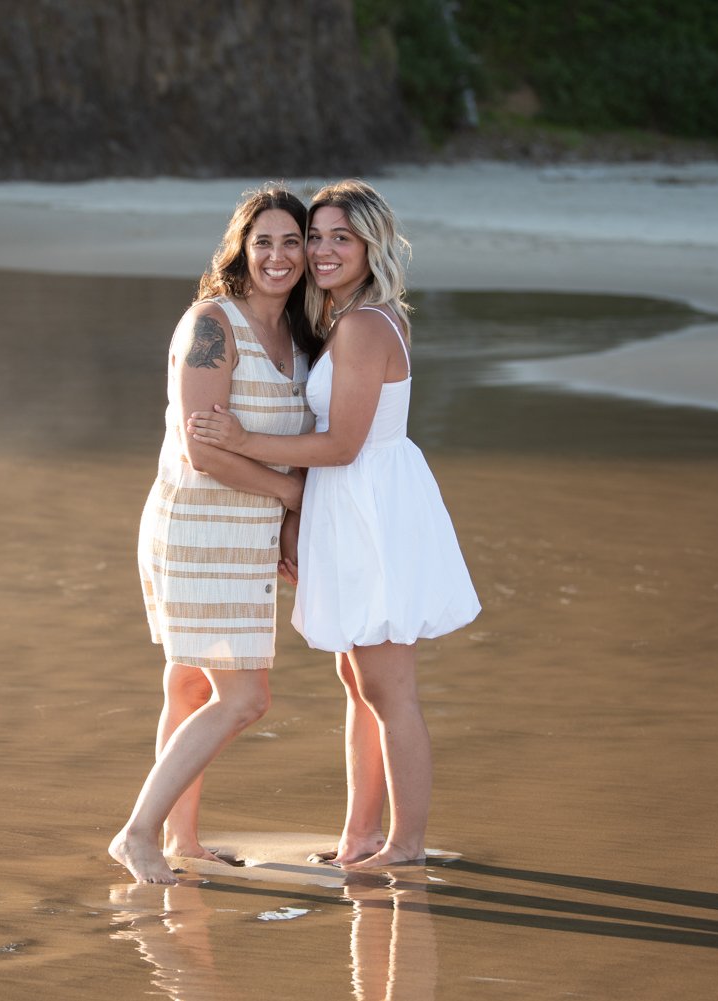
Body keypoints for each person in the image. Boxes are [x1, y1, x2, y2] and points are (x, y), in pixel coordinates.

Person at [188, 179, 480, 870]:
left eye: (336, 237)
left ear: (370, 245)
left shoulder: (362, 326)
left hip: (369, 504)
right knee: (360, 682)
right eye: (313, 235)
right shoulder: (355, 319)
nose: (319, 250)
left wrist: (237, 439)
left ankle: (404, 843)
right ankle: (359, 835)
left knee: (388, 686)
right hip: (352, 505)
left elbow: (342, 444)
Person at [110, 185, 320, 884]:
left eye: (293, 241)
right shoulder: (212, 323)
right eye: (264, 241)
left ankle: (183, 841)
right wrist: (293, 496)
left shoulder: (300, 338)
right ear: (241, 248)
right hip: (198, 525)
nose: (279, 255)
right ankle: (138, 833)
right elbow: (202, 451)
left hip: (248, 529)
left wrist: (285, 517)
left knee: (190, 689)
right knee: (245, 697)